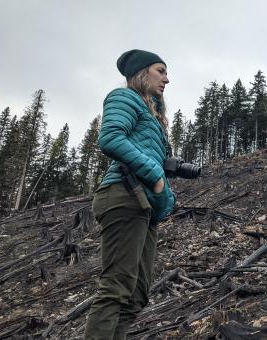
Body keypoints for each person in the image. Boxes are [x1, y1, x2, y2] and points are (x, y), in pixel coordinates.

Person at [84, 49, 176, 340]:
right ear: (141, 72)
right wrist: (155, 176)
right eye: (160, 71)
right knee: (116, 288)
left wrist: (164, 186)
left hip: (144, 203)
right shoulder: (124, 97)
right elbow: (110, 138)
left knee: (137, 295)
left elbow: (154, 162)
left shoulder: (153, 115)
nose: (167, 79)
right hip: (123, 195)